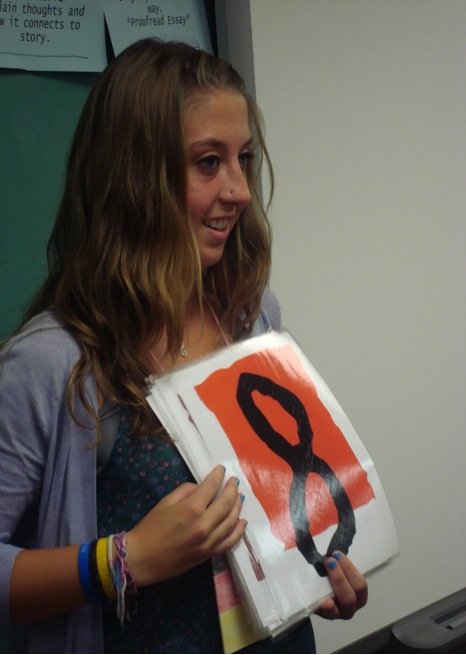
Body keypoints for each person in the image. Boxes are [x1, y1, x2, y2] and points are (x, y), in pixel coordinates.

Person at [0, 38, 367, 653]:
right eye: (207, 162)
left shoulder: (251, 315)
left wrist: (313, 576)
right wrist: (126, 558)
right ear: (133, 177)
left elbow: (277, 509)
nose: (240, 190)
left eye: (243, 158)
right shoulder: (53, 364)